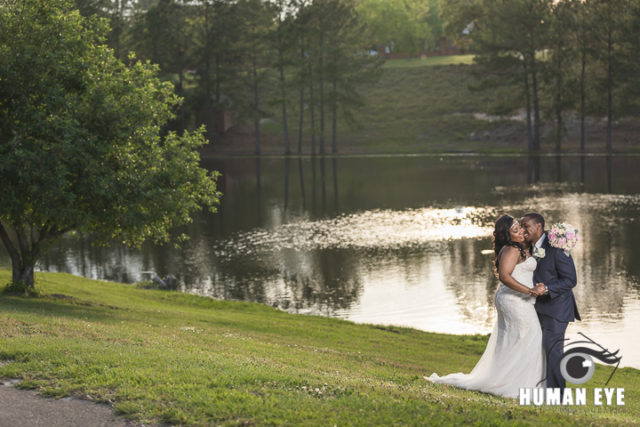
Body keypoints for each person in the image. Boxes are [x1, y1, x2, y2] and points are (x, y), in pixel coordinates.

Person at [425, 215, 546, 398]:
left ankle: (514, 379)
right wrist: (529, 291)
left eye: (520, 227)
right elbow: (504, 277)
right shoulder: (512, 249)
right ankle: (517, 383)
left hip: (518, 299)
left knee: (515, 340)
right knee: (531, 335)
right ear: (507, 235)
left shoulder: (519, 248)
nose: (521, 231)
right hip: (515, 300)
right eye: (516, 229)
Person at [521, 213, 580, 394]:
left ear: (539, 226)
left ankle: (559, 396)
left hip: (557, 309)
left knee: (553, 351)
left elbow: (570, 280)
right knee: (539, 349)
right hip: (537, 308)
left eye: (526, 226)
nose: (523, 230)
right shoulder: (529, 246)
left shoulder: (556, 245)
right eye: (521, 226)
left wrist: (546, 288)